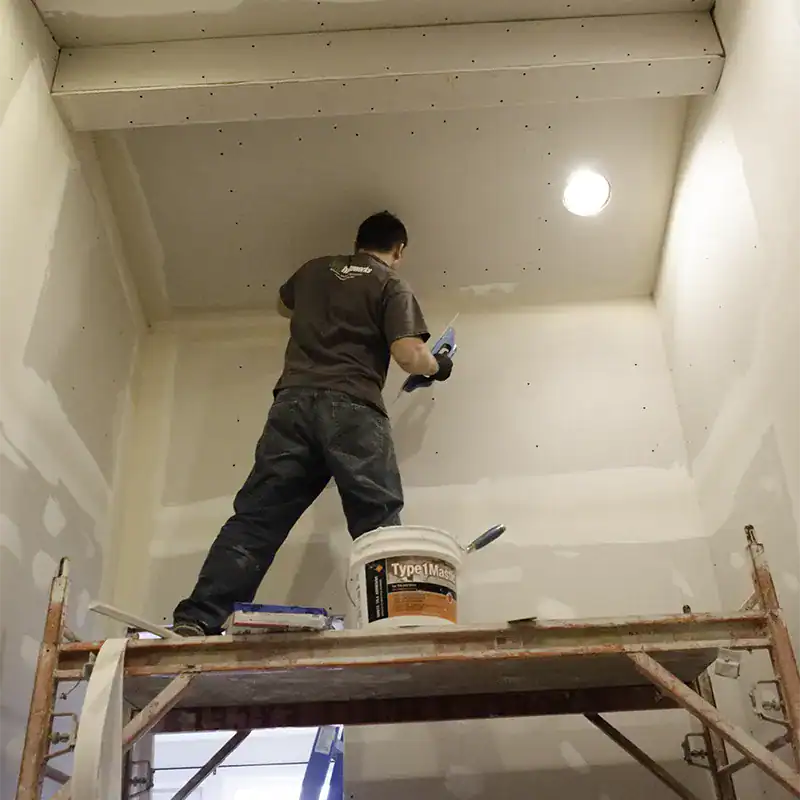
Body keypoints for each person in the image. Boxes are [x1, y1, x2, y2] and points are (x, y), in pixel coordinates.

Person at [172, 211, 453, 635]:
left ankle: (196, 621)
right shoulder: (390, 283)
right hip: (353, 409)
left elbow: (283, 304)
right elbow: (408, 354)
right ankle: (394, 626)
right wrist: (438, 366)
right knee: (377, 523)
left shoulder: (313, 270)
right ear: (399, 251)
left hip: (293, 406)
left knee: (256, 520)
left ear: (358, 241)